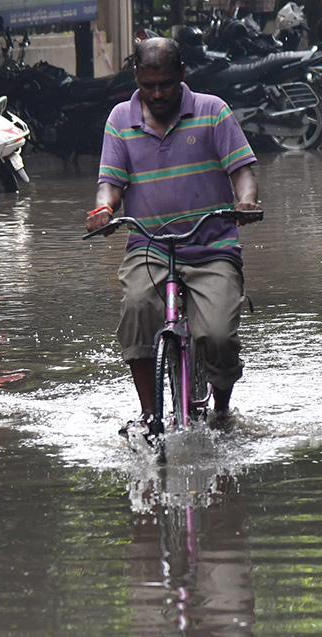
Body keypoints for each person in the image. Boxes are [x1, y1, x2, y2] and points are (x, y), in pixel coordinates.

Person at [85, 37, 262, 431]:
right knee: (135, 308)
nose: (158, 93)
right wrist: (102, 210)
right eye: (148, 85)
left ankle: (221, 407)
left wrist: (245, 201)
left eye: (165, 83)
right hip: (148, 246)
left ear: (182, 75)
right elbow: (110, 184)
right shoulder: (119, 119)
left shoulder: (212, 112)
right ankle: (149, 413)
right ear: (137, 79)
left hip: (212, 246)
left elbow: (243, 171)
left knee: (216, 334)